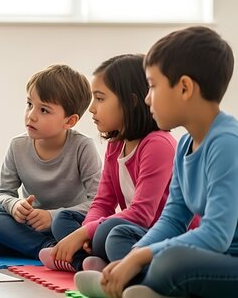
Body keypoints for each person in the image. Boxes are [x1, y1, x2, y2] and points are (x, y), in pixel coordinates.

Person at [76, 26, 238, 298]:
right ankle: (137, 285)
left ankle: (137, 285)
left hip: (228, 258)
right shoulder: (186, 144)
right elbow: (173, 220)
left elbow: (216, 236)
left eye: (152, 86)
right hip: (212, 257)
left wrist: (139, 259)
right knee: (133, 245)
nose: (148, 98)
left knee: (169, 261)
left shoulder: (227, 143)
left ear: (184, 87)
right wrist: (134, 255)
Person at [39, 54, 177, 272]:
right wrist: (85, 232)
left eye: (100, 99)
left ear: (130, 102)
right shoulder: (115, 145)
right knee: (64, 219)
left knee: (107, 232)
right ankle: (89, 262)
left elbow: (142, 214)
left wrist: (86, 234)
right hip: (128, 228)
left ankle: (85, 262)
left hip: (156, 233)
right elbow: (103, 202)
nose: (92, 108)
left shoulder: (158, 144)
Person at [0, 64, 101, 259]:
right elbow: (1, 194)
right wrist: (15, 205)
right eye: (29, 104)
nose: (31, 115)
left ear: (69, 121)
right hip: (32, 226)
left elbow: (97, 203)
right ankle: (48, 248)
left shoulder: (83, 147)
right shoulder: (17, 146)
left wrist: (52, 216)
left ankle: (42, 247)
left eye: (44, 110)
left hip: (67, 226)